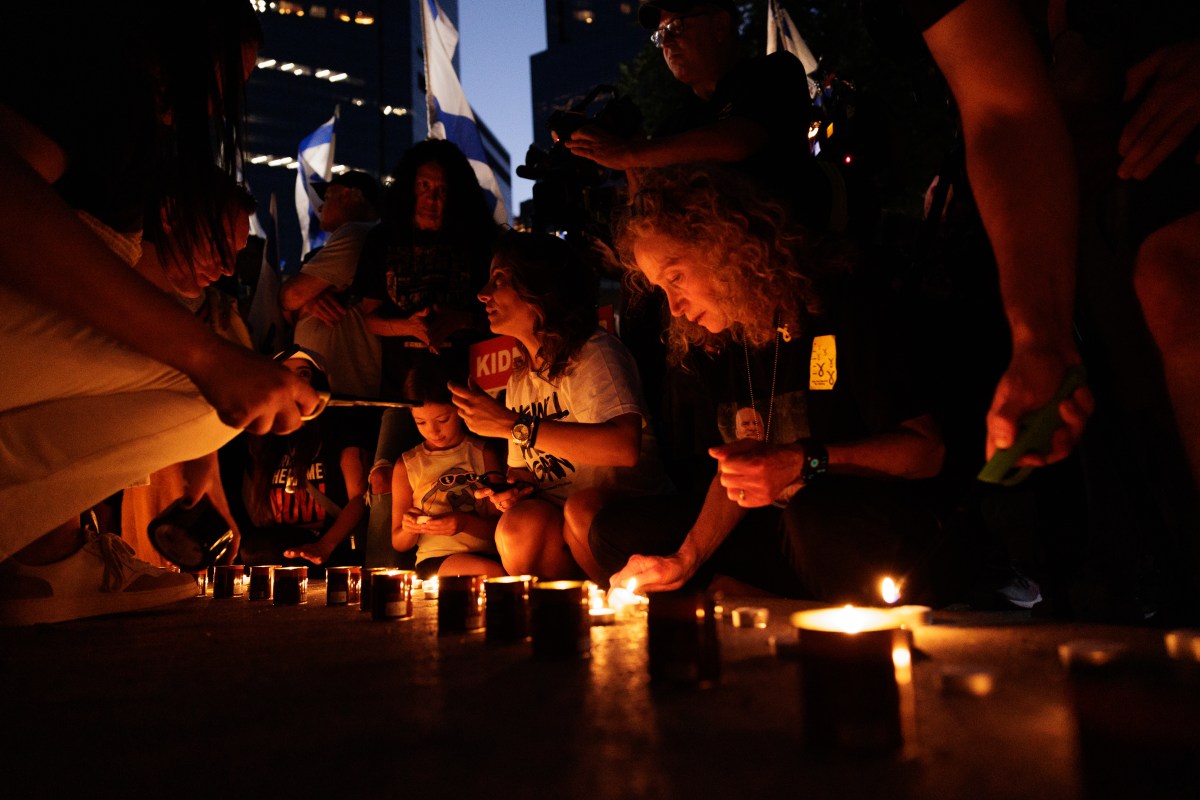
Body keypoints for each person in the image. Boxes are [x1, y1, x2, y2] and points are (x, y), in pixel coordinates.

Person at [0, 1, 318, 626]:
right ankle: (53, 555)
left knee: (231, 394)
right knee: (214, 390)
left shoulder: (140, 150)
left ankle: (36, 546)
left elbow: (122, 291)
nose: (223, 102)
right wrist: (208, 358)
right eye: (231, 78)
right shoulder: (92, 74)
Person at [597, 165, 956, 603]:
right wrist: (685, 558)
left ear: (725, 247)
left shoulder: (842, 302)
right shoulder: (721, 340)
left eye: (676, 277)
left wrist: (805, 463)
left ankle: (769, 601)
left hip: (868, 530)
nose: (674, 307)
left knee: (811, 515)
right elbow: (736, 476)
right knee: (617, 532)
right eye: (660, 289)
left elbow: (927, 451)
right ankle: (757, 594)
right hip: (782, 534)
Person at [449, 231, 668, 582]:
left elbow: (623, 446)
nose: (483, 293)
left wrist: (512, 426)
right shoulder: (520, 378)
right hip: (561, 518)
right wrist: (511, 490)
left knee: (581, 510)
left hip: (622, 512)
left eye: (499, 280)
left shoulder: (595, 353)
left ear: (538, 289)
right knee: (518, 526)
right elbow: (523, 469)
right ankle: (558, 615)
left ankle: (622, 606)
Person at [351, 139, 498, 568]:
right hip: (404, 391)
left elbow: (500, 315)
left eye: (443, 189)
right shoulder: (383, 241)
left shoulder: (478, 241)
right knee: (384, 478)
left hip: (470, 386)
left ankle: (488, 558)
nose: (433, 198)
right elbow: (369, 317)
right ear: (408, 189)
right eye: (424, 187)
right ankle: (384, 582)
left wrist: (460, 320)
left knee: (485, 476)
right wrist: (409, 326)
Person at [237, 347, 367, 568]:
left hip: (326, 551)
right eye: (284, 373)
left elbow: (359, 500)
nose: (293, 382)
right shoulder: (262, 438)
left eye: (303, 374)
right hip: (272, 550)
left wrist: (323, 546)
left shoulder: (339, 431)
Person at [390, 361, 505, 580]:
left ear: (461, 408)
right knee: (494, 575)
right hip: (436, 560)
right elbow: (399, 542)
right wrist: (410, 527)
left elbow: (498, 527)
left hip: (490, 552)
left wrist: (464, 523)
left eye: (443, 419)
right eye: (421, 422)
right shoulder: (407, 465)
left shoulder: (483, 453)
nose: (433, 431)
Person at [279, 170, 383, 400]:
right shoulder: (366, 236)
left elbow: (291, 295)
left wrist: (301, 301)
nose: (319, 208)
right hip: (335, 387)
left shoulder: (357, 233)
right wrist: (307, 301)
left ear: (350, 194)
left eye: (327, 197)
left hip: (344, 391)